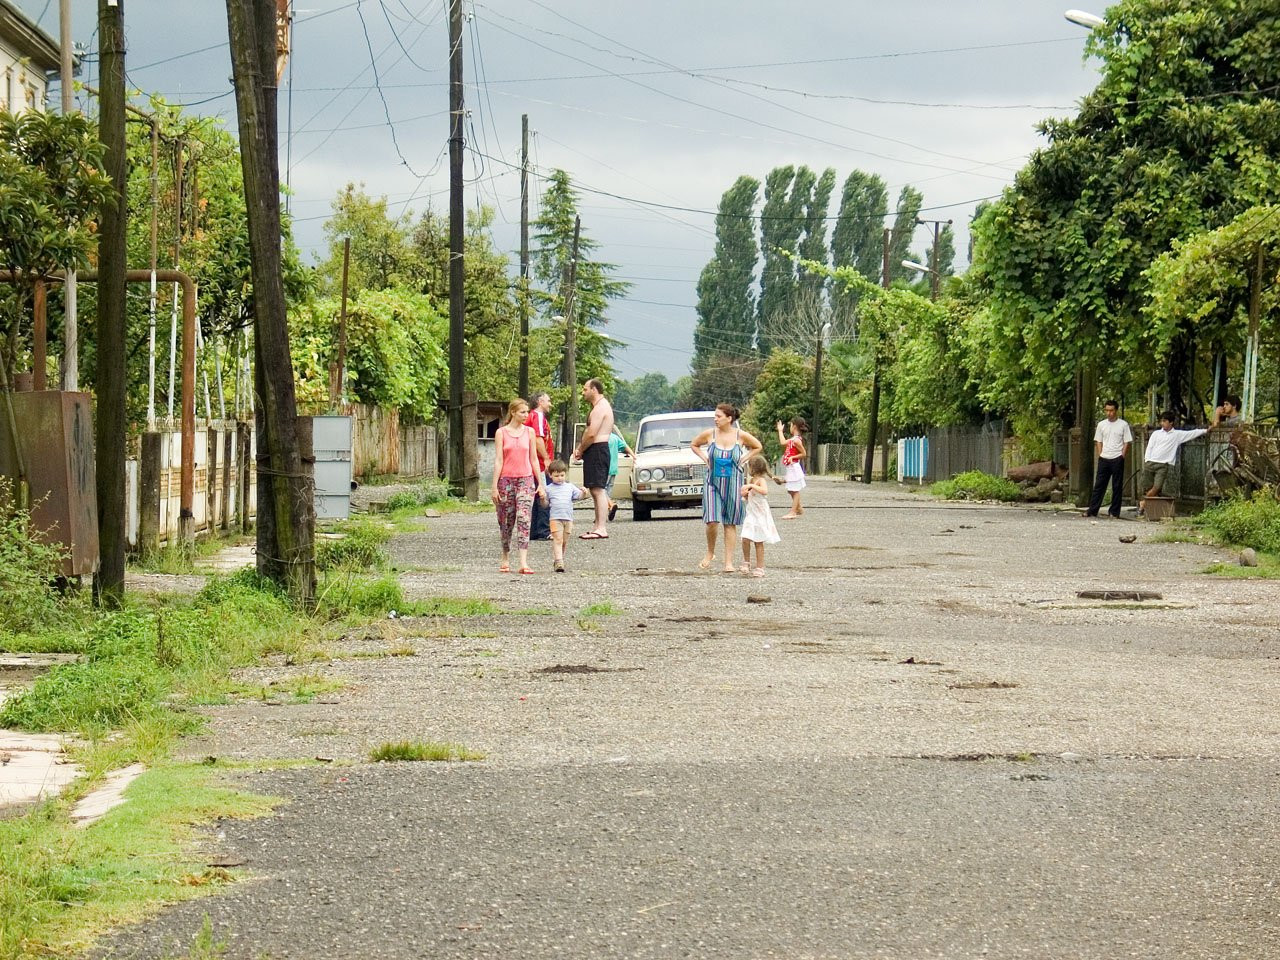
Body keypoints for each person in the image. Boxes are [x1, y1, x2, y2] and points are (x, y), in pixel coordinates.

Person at [690, 402, 763, 573]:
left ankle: (728, 562)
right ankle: (710, 552)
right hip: (712, 482)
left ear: (729, 419)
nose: (715, 419)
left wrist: (745, 458)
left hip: (733, 482)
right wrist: (704, 458)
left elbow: (758, 446)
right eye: (715, 416)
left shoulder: (740, 435)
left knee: (730, 523)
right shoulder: (710, 434)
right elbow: (694, 444)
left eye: (718, 416)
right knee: (712, 520)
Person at [490, 398, 546, 575]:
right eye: (522, 412)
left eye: (527, 412)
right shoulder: (501, 432)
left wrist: (541, 484)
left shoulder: (529, 432)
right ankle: (505, 556)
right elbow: (499, 460)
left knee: (524, 518)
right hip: (506, 480)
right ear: (513, 412)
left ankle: (523, 561)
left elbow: (534, 459)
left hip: (526, 480)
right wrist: (494, 486)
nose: (526, 415)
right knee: (506, 521)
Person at [1138, 408, 1222, 513]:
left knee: (1157, 486)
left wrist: (1206, 430)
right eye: (1161, 421)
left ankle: (1143, 504)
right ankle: (1147, 507)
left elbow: (1192, 433)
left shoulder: (1177, 434)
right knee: (1145, 485)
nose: (1162, 423)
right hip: (1151, 462)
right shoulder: (1156, 434)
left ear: (1171, 422)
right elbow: (1149, 447)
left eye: (1165, 421)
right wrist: (1147, 460)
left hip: (1163, 464)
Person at [571, 378, 615, 539]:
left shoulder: (600, 408)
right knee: (594, 489)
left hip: (598, 450)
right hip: (595, 450)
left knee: (598, 489)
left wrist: (581, 449)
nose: (583, 393)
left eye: (585, 389)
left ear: (594, 389)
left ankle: (602, 528)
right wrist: (580, 448)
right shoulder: (599, 407)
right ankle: (597, 525)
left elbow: (591, 433)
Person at [1084, 400, 1133, 519]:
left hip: (1117, 457)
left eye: (1111, 410)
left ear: (1116, 410)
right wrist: (1100, 454)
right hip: (1104, 458)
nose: (1109, 413)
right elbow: (1098, 441)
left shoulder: (1123, 425)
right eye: (1107, 410)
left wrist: (1122, 455)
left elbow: (1127, 441)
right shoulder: (1101, 425)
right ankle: (1093, 510)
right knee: (1099, 485)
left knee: (1117, 486)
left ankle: (1114, 512)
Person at [543, 459, 588, 573]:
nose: (560, 478)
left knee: (564, 541)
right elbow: (545, 505)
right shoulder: (548, 489)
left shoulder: (570, 487)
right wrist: (543, 498)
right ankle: (559, 561)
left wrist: (583, 492)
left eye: (562, 475)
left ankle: (559, 559)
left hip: (568, 518)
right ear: (551, 475)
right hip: (555, 518)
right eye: (556, 475)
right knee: (557, 539)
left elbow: (579, 496)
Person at [739, 454, 780, 577]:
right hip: (751, 513)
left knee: (758, 541)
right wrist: (745, 494)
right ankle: (746, 561)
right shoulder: (751, 481)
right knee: (745, 538)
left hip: (760, 515)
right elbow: (747, 497)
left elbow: (764, 491)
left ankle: (760, 566)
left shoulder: (760, 480)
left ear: (754, 468)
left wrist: (751, 486)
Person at [524, 392, 555, 541]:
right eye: (548, 401)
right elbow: (538, 439)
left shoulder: (531, 416)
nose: (550, 404)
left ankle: (533, 531)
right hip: (540, 464)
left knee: (536, 495)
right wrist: (546, 458)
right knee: (544, 494)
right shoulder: (538, 416)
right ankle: (543, 530)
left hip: (531, 463)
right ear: (540, 401)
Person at [774, 417, 808, 519]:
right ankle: (799, 508)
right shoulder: (793, 440)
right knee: (791, 489)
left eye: (790, 426)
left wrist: (793, 457)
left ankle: (793, 512)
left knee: (795, 490)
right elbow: (783, 442)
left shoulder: (797, 440)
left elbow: (804, 454)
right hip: (791, 467)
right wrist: (780, 431)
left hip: (794, 467)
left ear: (794, 426)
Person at [605, 427, 634, 522]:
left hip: (603, 469)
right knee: (608, 491)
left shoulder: (601, 438)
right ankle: (605, 513)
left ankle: (611, 505)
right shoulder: (615, 438)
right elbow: (625, 447)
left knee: (600, 491)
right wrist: (633, 456)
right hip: (613, 469)